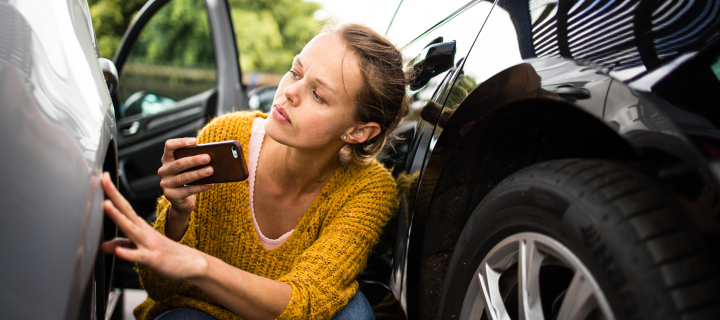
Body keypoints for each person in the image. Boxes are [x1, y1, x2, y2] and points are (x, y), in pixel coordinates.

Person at [99, 23, 409, 320]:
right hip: (198, 311)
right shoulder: (224, 135)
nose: (289, 92)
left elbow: (307, 302)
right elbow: (159, 288)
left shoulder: (369, 188)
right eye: (295, 72)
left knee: (354, 312)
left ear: (358, 131)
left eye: (318, 95)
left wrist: (199, 266)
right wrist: (177, 214)